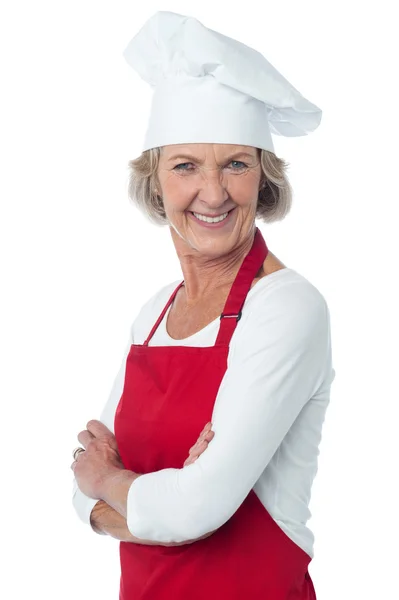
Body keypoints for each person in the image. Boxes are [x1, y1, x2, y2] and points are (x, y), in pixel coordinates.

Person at [71, 11, 335, 599]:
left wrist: (114, 484)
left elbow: (195, 509)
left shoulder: (287, 309)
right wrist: (148, 504)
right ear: (156, 181)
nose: (212, 193)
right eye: (185, 165)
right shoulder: (155, 313)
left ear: (263, 180)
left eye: (236, 164)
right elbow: (78, 493)